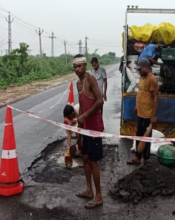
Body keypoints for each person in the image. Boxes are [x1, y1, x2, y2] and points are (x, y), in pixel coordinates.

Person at [72, 54, 104, 209]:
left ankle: (98, 196)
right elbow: (81, 104)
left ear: (85, 65)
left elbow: (99, 100)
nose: (77, 69)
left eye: (79, 66)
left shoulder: (91, 79)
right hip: (85, 128)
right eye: (75, 67)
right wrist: (79, 124)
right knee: (85, 158)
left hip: (94, 127)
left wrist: (85, 115)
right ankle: (89, 190)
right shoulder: (78, 84)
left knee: (93, 161)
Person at [126, 58, 159, 166]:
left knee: (146, 138)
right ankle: (137, 157)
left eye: (140, 69)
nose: (139, 71)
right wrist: (137, 106)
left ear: (145, 68)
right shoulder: (142, 77)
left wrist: (153, 116)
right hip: (140, 113)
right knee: (139, 135)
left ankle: (145, 160)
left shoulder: (152, 79)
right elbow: (141, 93)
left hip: (147, 115)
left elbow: (155, 99)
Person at [63, 104, 84, 168]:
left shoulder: (79, 109)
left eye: (69, 117)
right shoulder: (71, 116)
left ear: (72, 113)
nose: (69, 119)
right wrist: (69, 145)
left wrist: (80, 136)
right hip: (82, 122)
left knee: (85, 139)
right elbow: (69, 131)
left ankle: (87, 161)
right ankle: (83, 152)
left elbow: (82, 125)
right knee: (79, 149)